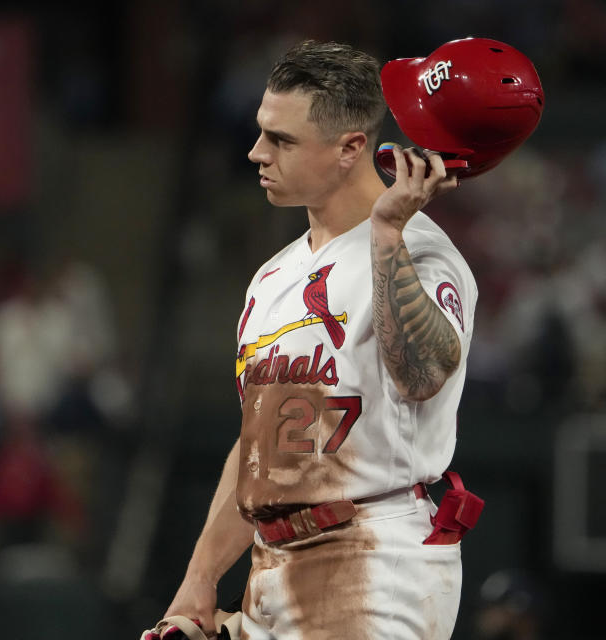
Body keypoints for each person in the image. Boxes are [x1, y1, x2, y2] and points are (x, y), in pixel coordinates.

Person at [163, 40, 477, 639]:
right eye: (262, 132)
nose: (257, 153)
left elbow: (423, 376)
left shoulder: (421, 251)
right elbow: (260, 442)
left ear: (350, 148)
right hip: (271, 567)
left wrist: (388, 233)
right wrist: (200, 578)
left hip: (376, 558)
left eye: (281, 140)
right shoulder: (272, 278)